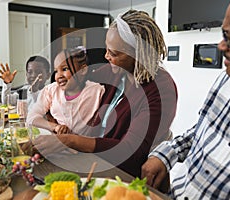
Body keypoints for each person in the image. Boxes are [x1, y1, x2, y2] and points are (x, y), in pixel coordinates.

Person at [30, 10, 177, 184]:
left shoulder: (160, 89)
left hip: (125, 174)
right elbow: (72, 82)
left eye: (114, 53)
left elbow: (131, 151)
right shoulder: (116, 72)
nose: (106, 56)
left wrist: (69, 141)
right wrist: (51, 117)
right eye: (107, 49)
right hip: (92, 160)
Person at [141, 0, 230, 199]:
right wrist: (167, 154)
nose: (221, 46)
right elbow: (202, 129)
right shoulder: (227, 78)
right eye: (223, 34)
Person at [26, 46, 105, 135]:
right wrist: (55, 127)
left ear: (83, 70)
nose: (58, 75)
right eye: (56, 71)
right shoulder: (51, 90)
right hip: (57, 142)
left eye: (64, 69)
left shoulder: (97, 91)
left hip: (81, 145)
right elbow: (31, 118)